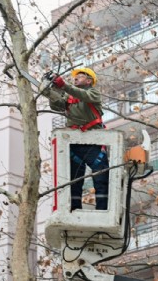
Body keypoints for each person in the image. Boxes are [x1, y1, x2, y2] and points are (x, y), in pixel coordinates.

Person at [45, 68, 110, 211]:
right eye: (75, 77)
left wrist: (64, 86)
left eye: (79, 77)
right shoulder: (70, 99)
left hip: (94, 143)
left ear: (88, 81)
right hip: (75, 144)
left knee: (101, 179)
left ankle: (103, 210)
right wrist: (50, 89)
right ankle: (74, 210)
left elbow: (82, 95)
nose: (75, 79)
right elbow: (56, 104)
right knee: (74, 181)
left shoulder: (93, 93)